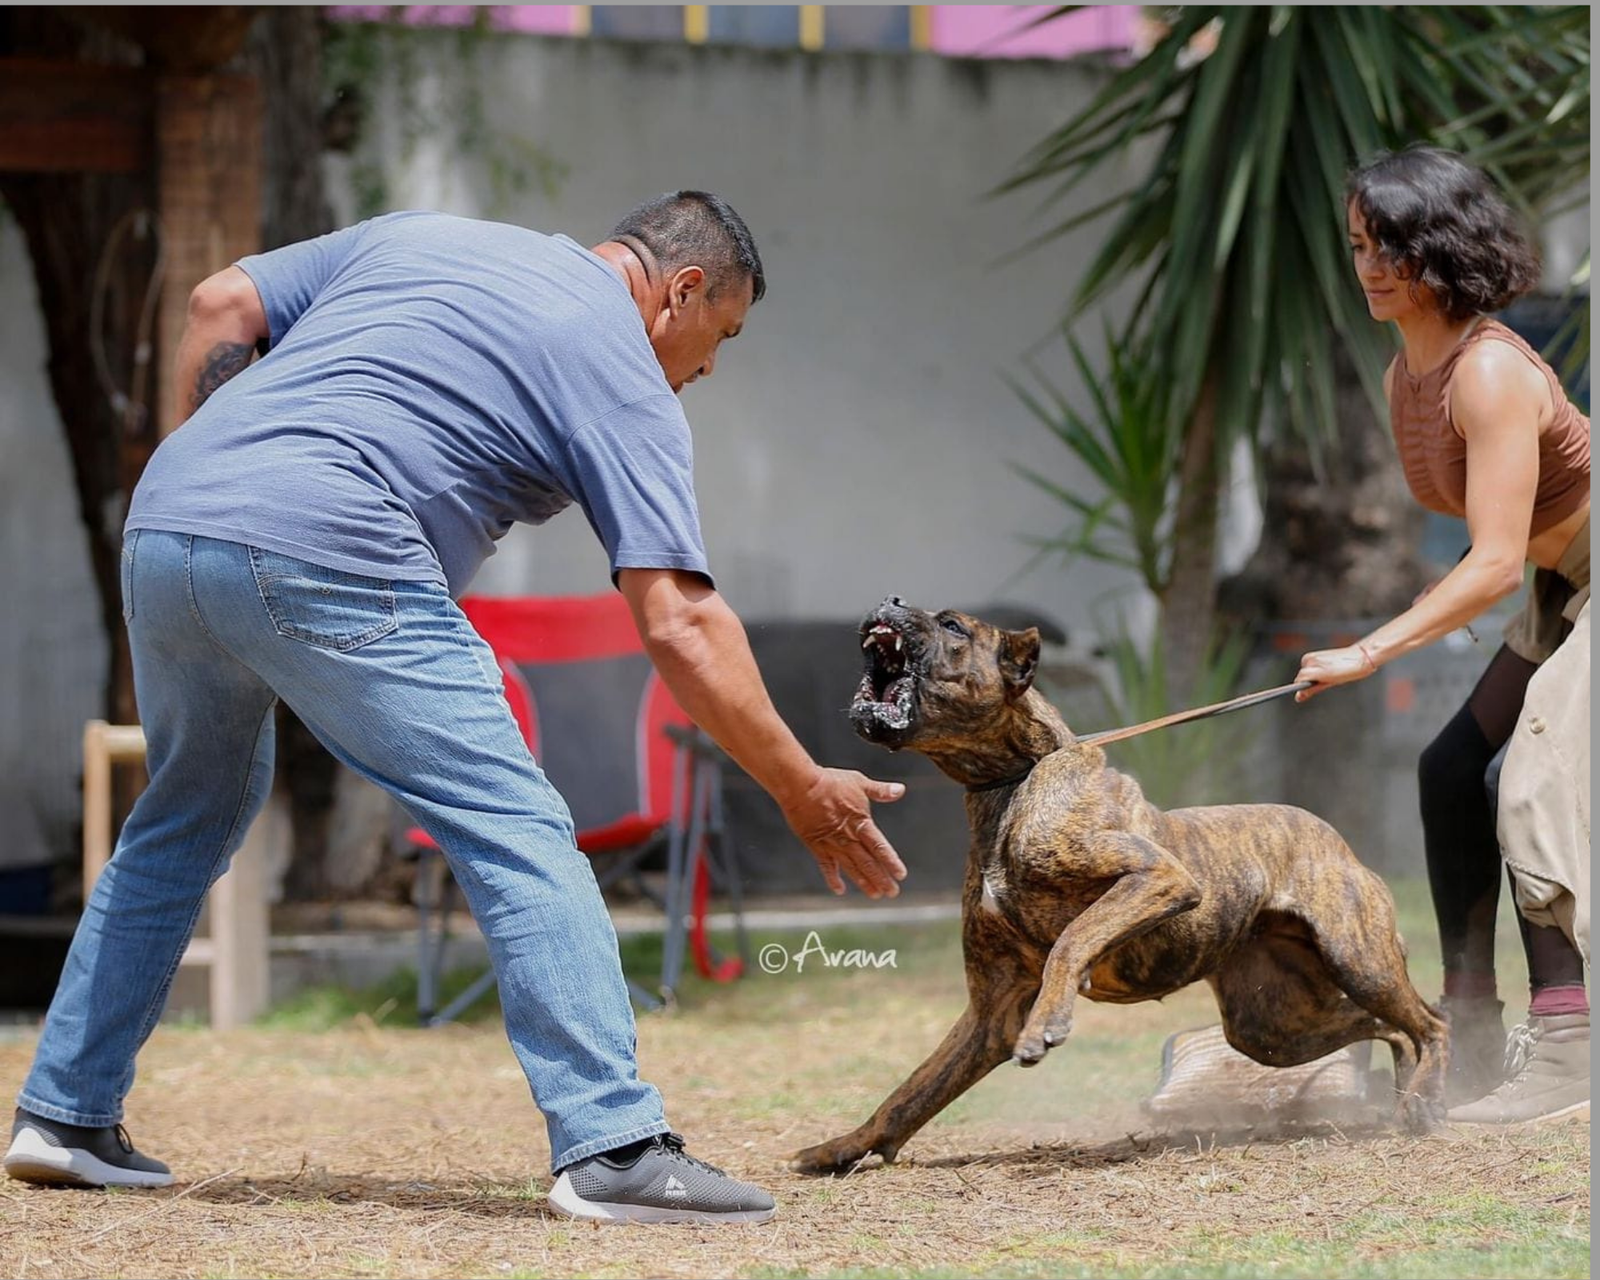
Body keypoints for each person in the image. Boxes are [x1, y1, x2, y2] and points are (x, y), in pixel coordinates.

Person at [3, 193, 909, 1222]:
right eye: (720, 336)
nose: (707, 367)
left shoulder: (427, 234)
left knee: (188, 808)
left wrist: (234, 473)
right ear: (681, 292)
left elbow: (221, 300)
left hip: (171, 519)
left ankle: (67, 1112)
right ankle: (612, 1145)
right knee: (516, 823)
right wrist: (800, 783)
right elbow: (682, 625)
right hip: (335, 536)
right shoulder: (615, 359)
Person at [1295, 146, 1589, 1124]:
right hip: (1563, 584)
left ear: (1447, 247)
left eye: (1395, 247)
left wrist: (1366, 650)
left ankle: (1569, 1047)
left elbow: (1494, 559)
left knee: (1525, 780)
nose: (1372, 266)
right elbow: (1510, 561)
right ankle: (1464, 1037)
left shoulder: (1491, 369)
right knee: (1449, 768)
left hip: (1575, 574)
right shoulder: (1402, 375)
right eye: (1358, 246)